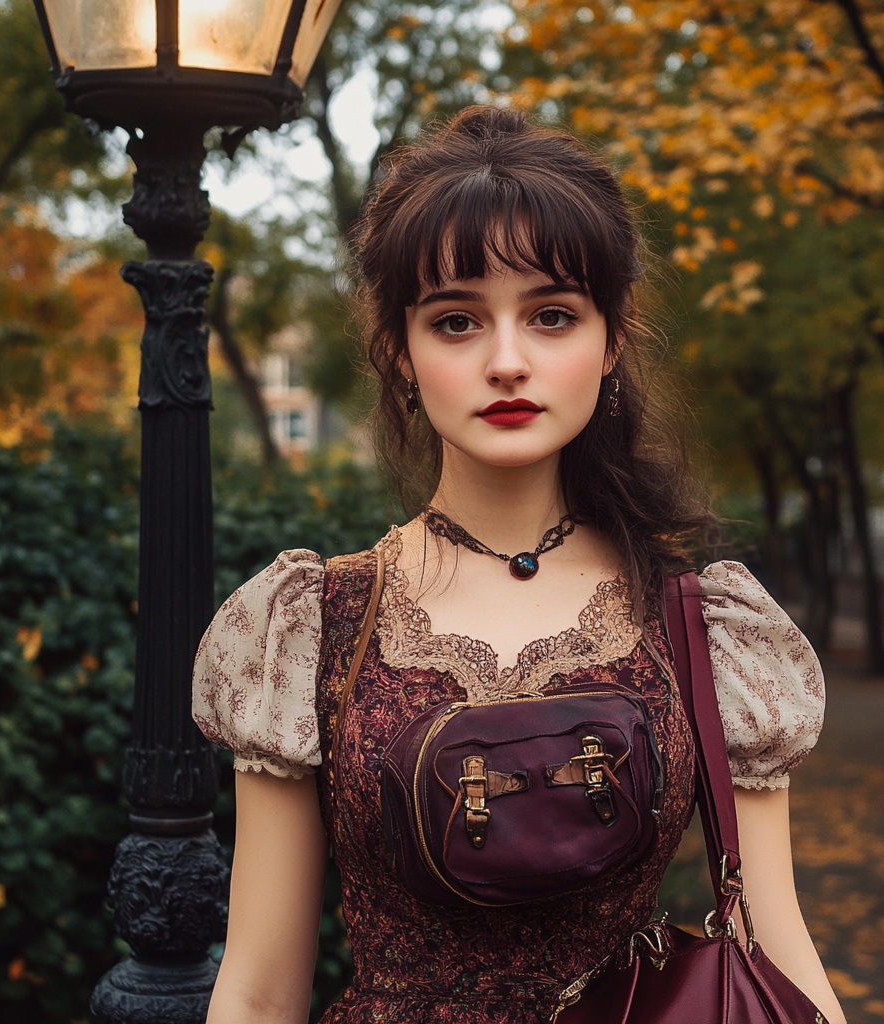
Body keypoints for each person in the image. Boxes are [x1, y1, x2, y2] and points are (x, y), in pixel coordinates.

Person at [192, 107, 847, 1024]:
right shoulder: (313, 624)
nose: (508, 362)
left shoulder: (702, 630)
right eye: (457, 321)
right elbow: (259, 992)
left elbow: (777, 952)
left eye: (551, 315)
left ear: (611, 341)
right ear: (400, 352)